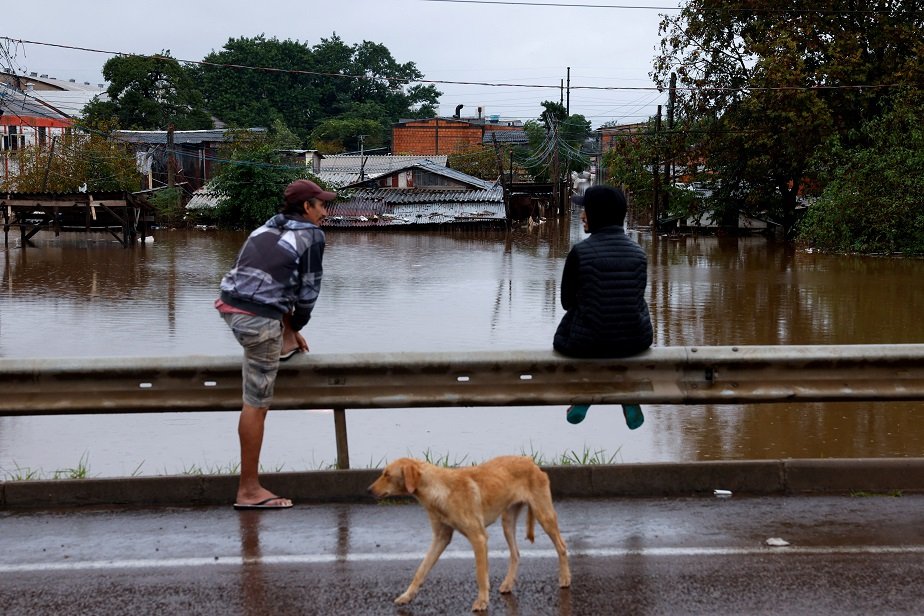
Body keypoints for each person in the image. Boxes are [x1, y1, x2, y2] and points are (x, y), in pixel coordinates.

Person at [215, 179, 335, 510]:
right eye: (321, 205)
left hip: (230, 306)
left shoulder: (266, 228)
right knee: (256, 402)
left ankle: (281, 342)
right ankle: (249, 490)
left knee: (271, 340)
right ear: (307, 208)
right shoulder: (311, 236)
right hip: (257, 319)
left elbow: (267, 279)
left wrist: (287, 330)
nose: (325, 211)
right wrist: (295, 325)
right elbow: (308, 293)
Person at [553, 184, 653, 429]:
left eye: (585, 210)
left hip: (587, 343)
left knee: (580, 329)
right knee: (622, 320)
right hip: (635, 340)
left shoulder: (580, 252)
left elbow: (567, 303)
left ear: (596, 214)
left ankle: (585, 393)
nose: (582, 215)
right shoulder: (639, 253)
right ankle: (626, 394)